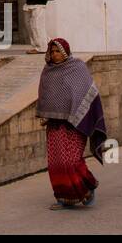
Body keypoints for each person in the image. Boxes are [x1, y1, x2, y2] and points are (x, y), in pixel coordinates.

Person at [36, 38, 108, 208]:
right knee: (57, 162)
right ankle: (64, 198)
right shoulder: (48, 72)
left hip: (76, 124)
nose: (54, 55)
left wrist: (76, 113)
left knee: (72, 160)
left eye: (58, 51)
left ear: (65, 52)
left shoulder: (78, 68)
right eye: (52, 52)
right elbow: (46, 96)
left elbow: (89, 94)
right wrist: (46, 113)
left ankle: (87, 185)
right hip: (55, 124)